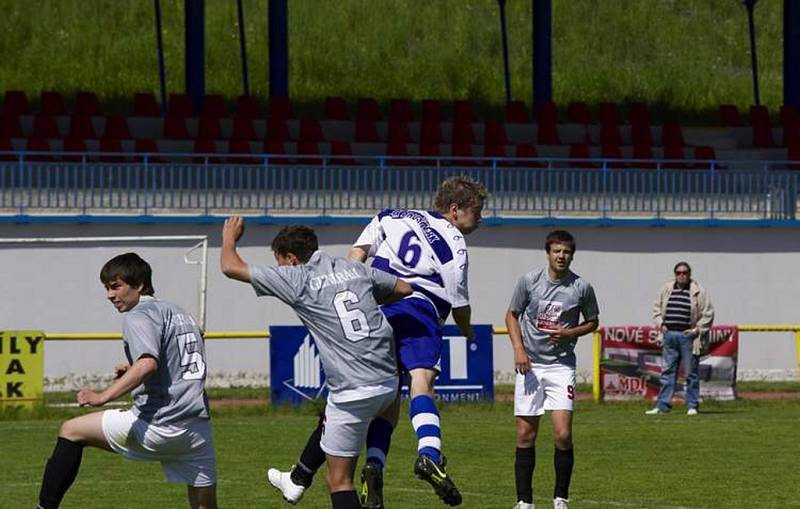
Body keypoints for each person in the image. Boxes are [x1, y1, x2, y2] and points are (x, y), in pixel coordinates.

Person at [265, 175, 487, 509]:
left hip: (379, 313)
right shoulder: (454, 240)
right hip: (421, 310)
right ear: (455, 210)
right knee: (420, 385)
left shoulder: (391, 215)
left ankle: (367, 466)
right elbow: (460, 304)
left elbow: (357, 256)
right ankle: (429, 453)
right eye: (477, 211)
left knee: (374, 399)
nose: (480, 219)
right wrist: (468, 331)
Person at [220, 218, 412, 509]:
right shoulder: (352, 268)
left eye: (280, 262)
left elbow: (230, 266)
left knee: (339, 481)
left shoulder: (297, 277)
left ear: (292, 259)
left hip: (352, 391)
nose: (281, 268)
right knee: (345, 415)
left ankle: (302, 480)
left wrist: (229, 238)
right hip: (388, 382)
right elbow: (403, 288)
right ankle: (311, 476)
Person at [37, 253, 217, 509]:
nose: (110, 295)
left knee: (71, 430)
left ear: (140, 285)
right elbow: (176, 360)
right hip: (197, 430)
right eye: (107, 288)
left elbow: (148, 364)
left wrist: (102, 397)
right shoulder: (180, 313)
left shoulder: (138, 315)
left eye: (116, 286)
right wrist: (134, 370)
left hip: (158, 425)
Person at [505, 230, 599, 509]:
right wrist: (519, 350)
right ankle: (524, 501)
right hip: (530, 366)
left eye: (566, 252)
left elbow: (593, 321)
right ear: (548, 253)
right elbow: (512, 315)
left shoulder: (581, 287)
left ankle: (560, 498)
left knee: (563, 434)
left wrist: (571, 332)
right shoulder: (529, 281)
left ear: (572, 255)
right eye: (557, 251)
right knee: (525, 434)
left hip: (560, 367)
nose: (562, 256)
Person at [646, 261, 714, 416]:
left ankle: (692, 405)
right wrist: (661, 324)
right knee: (667, 373)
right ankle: (662, 405)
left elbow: (708, 313)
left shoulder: (698, 291)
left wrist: (697, 329)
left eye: (685, 273)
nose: (682, 275)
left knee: (691, 373)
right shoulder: (667, 289)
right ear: (675, 274)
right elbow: (656, 308)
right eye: (679, 273)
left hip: (688, 336)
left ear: (689, 274)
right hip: (669, 335)